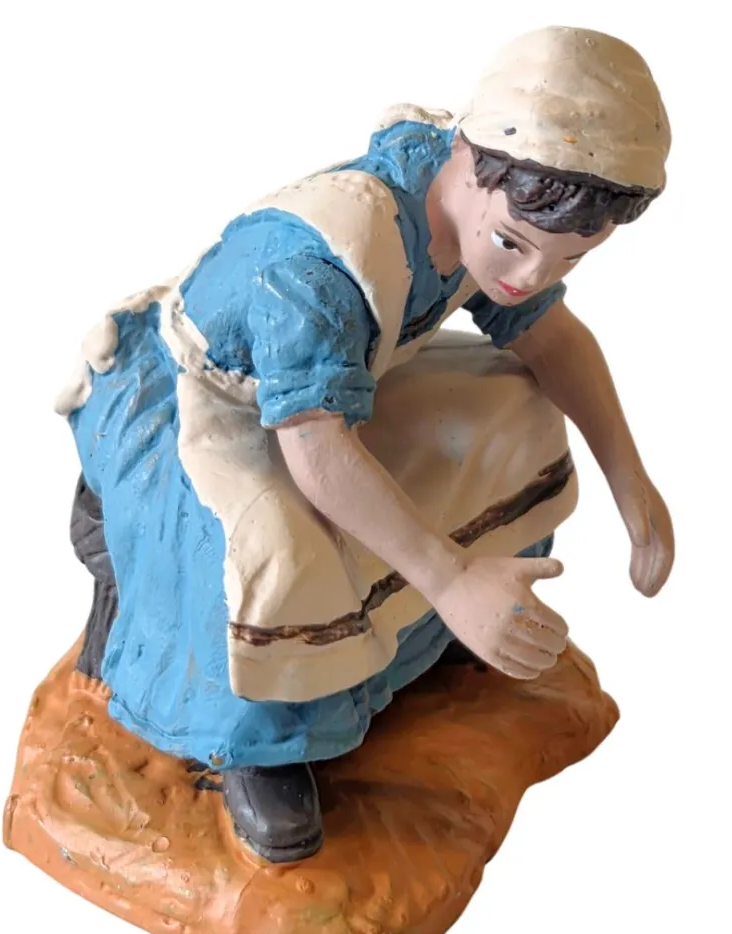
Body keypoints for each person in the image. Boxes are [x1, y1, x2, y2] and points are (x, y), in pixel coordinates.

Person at [55, 25, 675, 862]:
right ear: (469, 161)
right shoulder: (319, 266)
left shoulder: (481, 214)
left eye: (568, 258)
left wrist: (632, 483)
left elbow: (552, 341)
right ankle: (256, 743)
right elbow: (316, 451)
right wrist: (450, 579)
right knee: (277, 554)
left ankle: (438, 642)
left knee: (515, 408)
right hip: (207, 403)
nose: (529, 277)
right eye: (515, 245)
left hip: (336, 386)